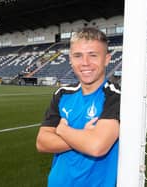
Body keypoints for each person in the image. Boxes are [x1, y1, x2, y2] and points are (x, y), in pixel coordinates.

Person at [36, 27, 120, 187]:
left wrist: (63, 131)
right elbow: (42, 142)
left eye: (93, 55)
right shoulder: (62, 94)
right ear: (70, 59)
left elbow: (97, 146)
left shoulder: (116, 96)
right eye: (78, 56)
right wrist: (83, 136)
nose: (85, 63)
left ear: (107, 59)